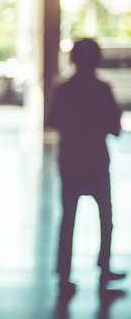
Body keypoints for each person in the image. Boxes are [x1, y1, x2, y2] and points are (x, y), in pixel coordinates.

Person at [46, 38, 125, 295]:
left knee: (68, 217)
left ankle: (64, 272)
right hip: (96, 161)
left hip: (69, 160)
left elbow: (52, 120)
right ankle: (104, 267)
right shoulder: (102, 89)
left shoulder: (64, 88)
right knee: (105, 217)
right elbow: (114, 128)